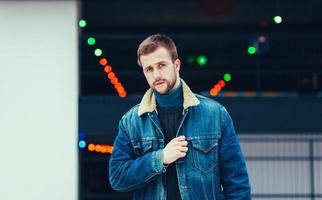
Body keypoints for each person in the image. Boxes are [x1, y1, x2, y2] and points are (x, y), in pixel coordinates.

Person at [109, 34, 251, 200]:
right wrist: (160, 158)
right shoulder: (131, 122)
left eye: (161, 65)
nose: (156, 75)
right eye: (149, 69)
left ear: (176, 65)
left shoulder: (216, 114)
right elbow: (117, 178)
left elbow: (237, 185)